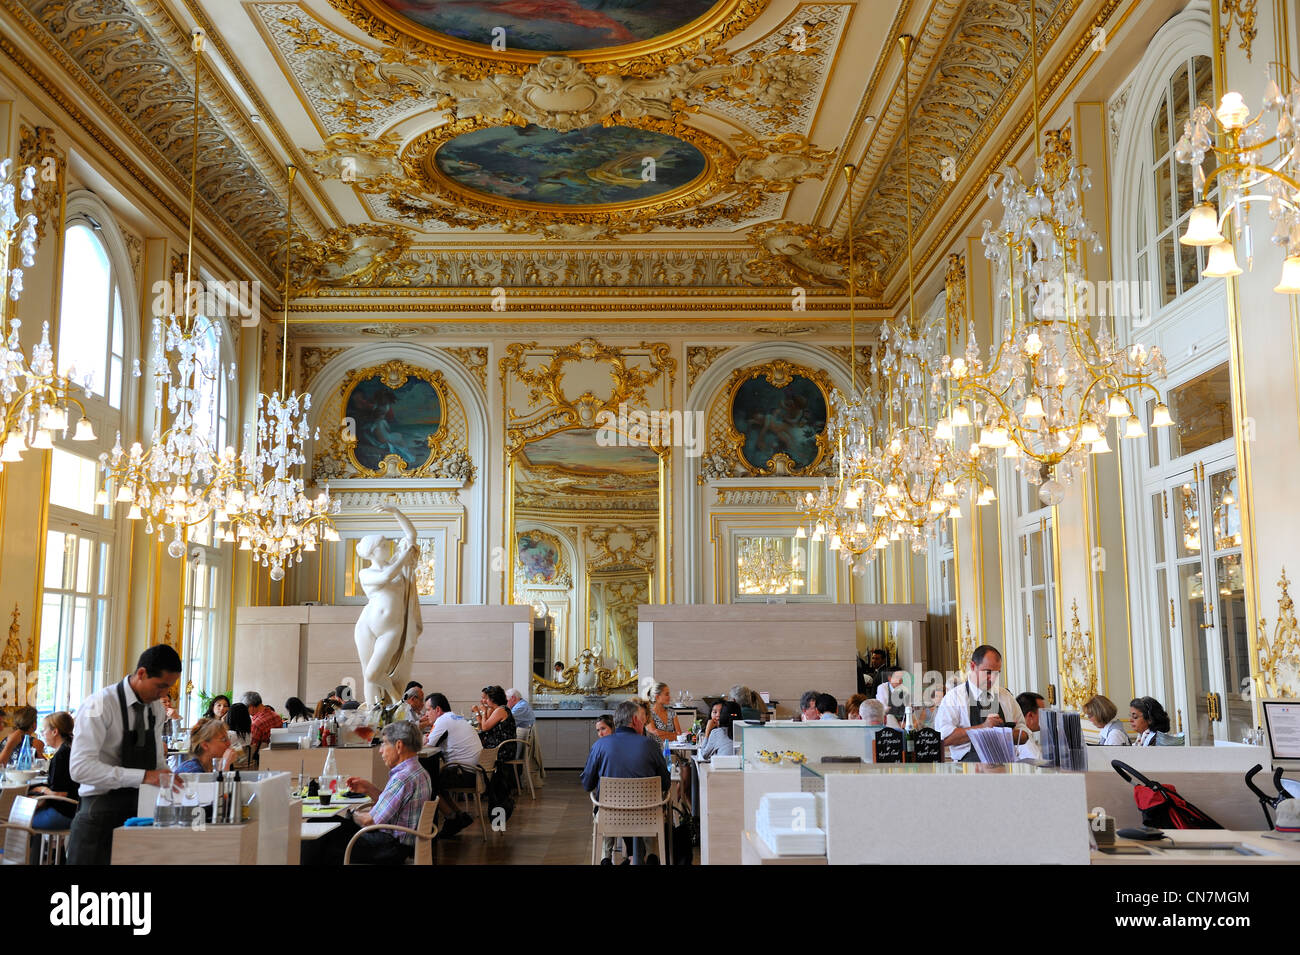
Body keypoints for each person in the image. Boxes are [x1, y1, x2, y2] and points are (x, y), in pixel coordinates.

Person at [68, 644, 182, 865]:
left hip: (140, 812)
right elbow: (80, 768)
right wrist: (143, 776)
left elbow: (157, 761)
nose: (164, 694)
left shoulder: (155, 708)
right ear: (141, 673)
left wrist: (169, 778)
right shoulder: (99, 704)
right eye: (160, 686)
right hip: (97, 812)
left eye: (168, 688)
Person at [303, 721, 433, 865]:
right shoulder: (420, 772)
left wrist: (353, 815)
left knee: (319, 834)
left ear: (398, 746)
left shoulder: (402, 778)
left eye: (384, 743)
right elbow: (395, 808)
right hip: (401, 844)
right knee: (323, 825)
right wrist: (369, 789)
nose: (380, 750)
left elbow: (369, 821)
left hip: (388, 847)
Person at [580, 699, 670, 865]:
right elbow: (665, 784)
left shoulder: (600, 745)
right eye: (642, 719)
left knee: (602, 806)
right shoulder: (650, 745)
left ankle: (606, 858)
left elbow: (587, 784)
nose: (644, 722)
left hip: (611, 816)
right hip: (647, 816)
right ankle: (651, 856)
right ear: (635, 720)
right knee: (654, 805)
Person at [354, 503, 422, 707]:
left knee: (373, 672)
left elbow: (411, 536)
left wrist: (397, 512)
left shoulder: (399, 568)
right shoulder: (366, 573)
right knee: (368, 675)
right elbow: (386, 575)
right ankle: (374, 718)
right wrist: (403, 556)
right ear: (373, 552)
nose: (388, 547)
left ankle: (393, 692)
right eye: (383, 545)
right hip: (366, 625)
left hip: (391, 629)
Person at [934, 645, 1030, 762]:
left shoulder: (1005, 696)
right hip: (968, 769)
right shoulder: (953, 698)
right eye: (988, 672)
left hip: (1005, 767)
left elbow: (1024, 734)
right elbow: (944, 739)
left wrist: (1005, 734)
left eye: (997, 673)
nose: (993, 678)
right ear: (973, 666)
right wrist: (983, 728)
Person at [422, 693, 480, 837]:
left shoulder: (443, 721)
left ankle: (452, 819)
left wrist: (421, 733)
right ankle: (458, 816)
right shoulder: (455, 717)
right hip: (477, 772)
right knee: (437, 782)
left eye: (428, 710)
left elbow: (428, 745)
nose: (426, 714)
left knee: (428, 785)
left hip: (465, 773)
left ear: (438, 710)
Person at [30, 712, 77, 831]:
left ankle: (20, 850)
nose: (43, 734)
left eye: (44, 731)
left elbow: (60, 794)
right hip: (73, 810)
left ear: (55, 732)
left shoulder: (61, 755)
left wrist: (41, 789)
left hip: (63, 813)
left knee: (16, 818)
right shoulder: (69, 749)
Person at [472, 685, 517, 750]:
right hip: (500, 746)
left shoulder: (501, 710)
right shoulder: (500, 709)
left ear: (492, 699)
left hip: (501, 750)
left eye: (487, 698)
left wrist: (484, 711)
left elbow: (484, 728)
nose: (485, 701)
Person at [1015, 692, 1046, 760]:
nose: (1046, 718)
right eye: (1043, 713)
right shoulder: (1023, 739)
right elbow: (1040, 762)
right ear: (1030, 715)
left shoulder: (1018, 733)